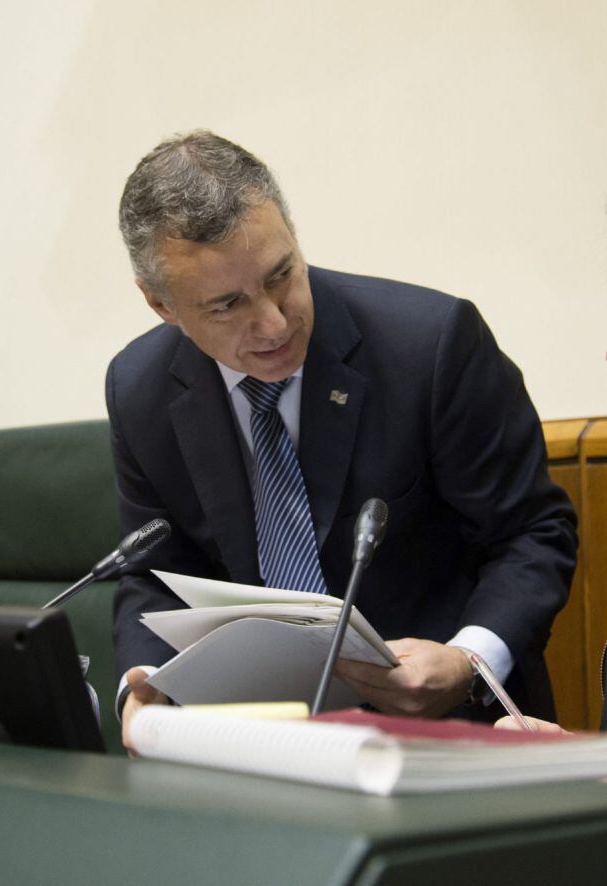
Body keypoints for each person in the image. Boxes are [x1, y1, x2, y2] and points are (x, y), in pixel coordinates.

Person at [106, 130, 577, 751]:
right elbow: (152, 574)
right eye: (226, 306)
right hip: (255, 743)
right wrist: (142, 693)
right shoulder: (141, 389)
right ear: (161, 305)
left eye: (281, 275)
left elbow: (532, 534)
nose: (274, 322)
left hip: (444, 737)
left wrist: (467, 660)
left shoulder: (429, 345)